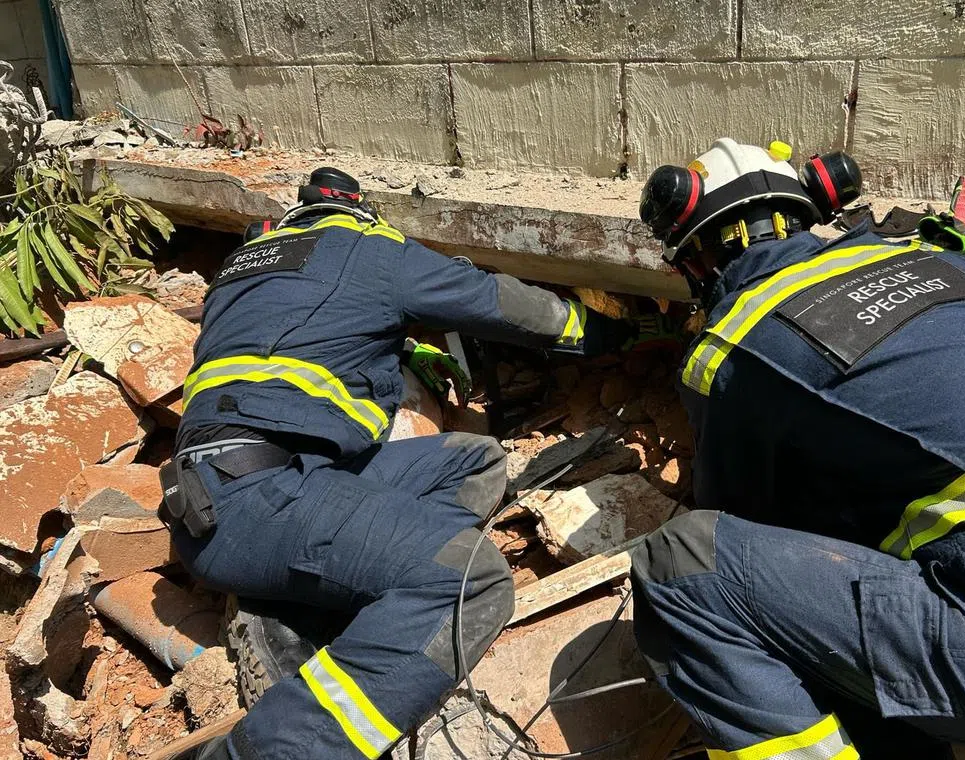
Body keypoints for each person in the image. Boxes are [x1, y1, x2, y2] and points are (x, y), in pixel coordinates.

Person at [630, 138, 965, 760]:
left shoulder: (728, 347)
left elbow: (738, 522)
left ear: (695, 260)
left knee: (686, 568)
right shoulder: (938, 263)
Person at [161, 167, 627, 759]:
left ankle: (343, 593)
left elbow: (297, 335)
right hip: (257, 500)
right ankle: (270, 747)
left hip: (229, 489)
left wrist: (397, 347)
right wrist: (612, 332)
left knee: (474, 461)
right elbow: (502, 303)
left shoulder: (245, 266)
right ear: (360, 211)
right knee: (470, 579)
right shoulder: (368, 245)